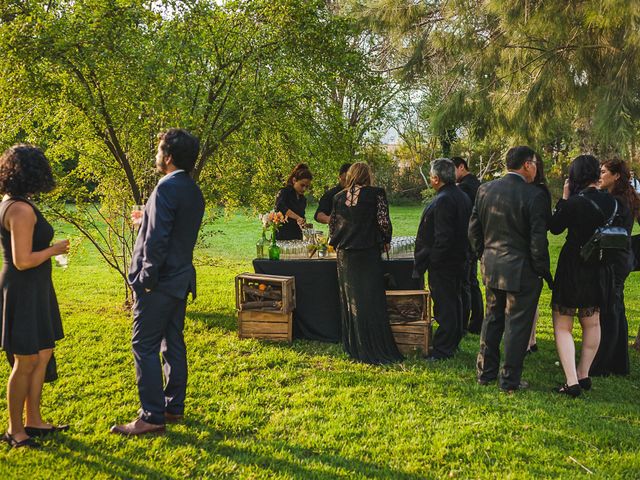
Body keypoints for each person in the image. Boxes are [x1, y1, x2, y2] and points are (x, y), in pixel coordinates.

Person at [111, 129, 205, 436]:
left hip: (159, 280)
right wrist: (146, 219)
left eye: (158, 151)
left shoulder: (165, 189)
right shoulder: (192, 189)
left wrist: (146, 280)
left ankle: (151, 416)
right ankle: (173, 407)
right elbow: (172, 230)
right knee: (172, 341)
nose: (156, 156)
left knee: (144, 344)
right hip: (180, 278)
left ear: (168, 157)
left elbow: (157, 241)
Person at [0, 145, 70, 448]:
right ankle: (15, 430)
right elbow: (22, 260)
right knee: (25, 359)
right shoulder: (20, 209)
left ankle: (35, 420)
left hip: (35, 287)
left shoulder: (14, 202)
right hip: (23, 287)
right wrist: (55, 250)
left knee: (43, 353)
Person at [469, 146, 551, 393]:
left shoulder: (485, 189)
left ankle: (485, 374)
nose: (536, 168)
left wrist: (483, 255)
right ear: (527, 164)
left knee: (492, 320)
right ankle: (509, 380)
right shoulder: (533, 195)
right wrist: (541, 270)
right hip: (522, 270)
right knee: (517, 326)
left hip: (492, 267)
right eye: (535, 163)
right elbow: (538, 241)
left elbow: (473, 230)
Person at [549, 155, 617, 397]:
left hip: (573, 265)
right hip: (597, 266)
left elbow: (555, 226)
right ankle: (583, 373)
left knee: (563, 324)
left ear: (575, 175)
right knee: (592, 322)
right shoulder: (611, 202)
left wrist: (564, 198)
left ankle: (571, 381)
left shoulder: (573, 203)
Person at [329, 162, 403, 364]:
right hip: (368, 252)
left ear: (351, 175)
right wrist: (385, 240)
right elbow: (383, 222)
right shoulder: (376, 193)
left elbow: (333, 228)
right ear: (367, 175)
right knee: (370, 298)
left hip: (345, 255)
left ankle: (355, 344)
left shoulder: (338, 197)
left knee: (351, 298)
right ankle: (373, 343)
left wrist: (335, 243)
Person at [414, 158, 471, 360]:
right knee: (454, 302)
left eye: (431, 176)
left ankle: (443, 349)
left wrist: (434, 260)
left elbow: (443, 236)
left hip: (446, 262)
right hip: (458, 258)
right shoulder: (461, 195)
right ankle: (452, 341)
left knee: (446, 305)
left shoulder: (445, 199)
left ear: (436, 178)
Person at [590, 158, 639, 376]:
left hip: (616, 260)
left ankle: (604, 363)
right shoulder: (623, 198)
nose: (600, 176)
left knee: (610, 310)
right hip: (621, 258)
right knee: (615, 307)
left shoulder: (619, 201)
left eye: (603, 172)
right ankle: (618, 363)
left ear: (616, 175)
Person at [451, 156, 483, 334]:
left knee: (466, 282)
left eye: (452, 169)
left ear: (461, 167)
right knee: (471, 281)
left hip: (467, 239)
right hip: (474, 239)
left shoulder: (465, 186)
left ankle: (466, 322)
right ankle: (476, 320)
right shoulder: (474, 183)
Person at [527, 152, 553, 354]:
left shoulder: (540, 191)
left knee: (531, 298)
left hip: (532, 247)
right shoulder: (526, 189)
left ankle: (530, 338)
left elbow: (545, 224)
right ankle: (530, 338)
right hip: (524, 245)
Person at [275, 164, 313, 240]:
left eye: (307, 186)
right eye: (302, 185)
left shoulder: (303, 199)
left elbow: (301, 217)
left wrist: (303, 223)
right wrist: (297, 217)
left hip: (297, 237)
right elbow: (280, 206)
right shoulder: (284, 192)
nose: (304, 189)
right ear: (294, 180)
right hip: (282, 236)